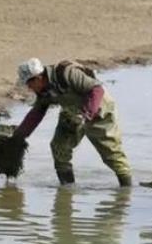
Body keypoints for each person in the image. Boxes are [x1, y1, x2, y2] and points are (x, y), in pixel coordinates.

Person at [13, 58, 133, 187]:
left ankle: (126, 191)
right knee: (59, 147)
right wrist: (18, 137)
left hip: (98, 111)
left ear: (37, 78)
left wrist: (86, 114)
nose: (29, 88)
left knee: (111, 154)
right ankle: (67, 190)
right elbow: (37, 113)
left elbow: (97, 90)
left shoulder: (66, 74)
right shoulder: (44, 91)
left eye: (29, 84)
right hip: (72, 113)